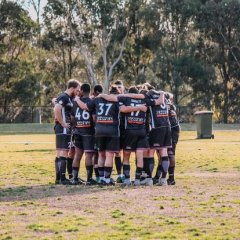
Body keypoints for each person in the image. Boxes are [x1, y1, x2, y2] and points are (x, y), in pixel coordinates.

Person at [53, 79, 81, 184]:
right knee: (64, 152)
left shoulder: (67, 98)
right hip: (63, 128)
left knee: (60, 152)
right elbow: (57, 109)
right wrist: (63, 123)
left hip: (63, 128)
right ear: (72, 88)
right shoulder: (64, 97)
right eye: (77, 90)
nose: (78, 92)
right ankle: (62, 178)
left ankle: (58, 178)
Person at [71, 83, 96, 185]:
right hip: (88, 132)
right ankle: (89, 179)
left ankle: (74, 178)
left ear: (81, 90)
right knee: (89, 155)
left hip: (78, 131)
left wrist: (76, 125)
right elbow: (94, 118)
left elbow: (72, 117)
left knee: (77, 155)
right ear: (89, 91)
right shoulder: (91, 102)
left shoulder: (76, 102)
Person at [166, 93, 180, 185]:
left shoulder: (167, 106)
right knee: (169, 153)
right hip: (175, 129)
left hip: (172, 130)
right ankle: (170, 178)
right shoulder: (171, 106)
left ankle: (171, 178)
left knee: (170, 153)